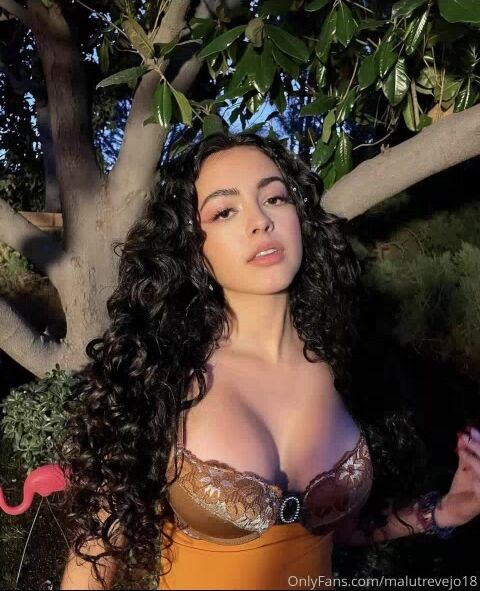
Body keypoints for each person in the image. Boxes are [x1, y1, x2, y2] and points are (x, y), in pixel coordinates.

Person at [56, 132, 480, 590]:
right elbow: (92, 564)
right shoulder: (160, 375)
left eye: (275, 198)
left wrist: (441, 512)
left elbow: (335, 531)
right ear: (192, 247)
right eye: (225, 211)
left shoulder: (352, 366)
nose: (260, 221)